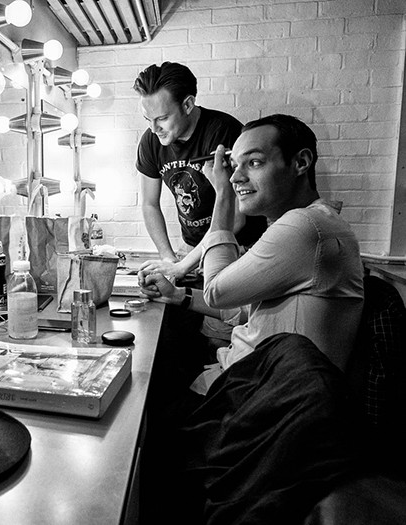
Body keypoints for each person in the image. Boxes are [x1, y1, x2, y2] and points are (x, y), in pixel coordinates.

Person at [137, 114, 365, 523]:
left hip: (262, 420)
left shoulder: (305, 226)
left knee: (135, 416)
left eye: (253, 163)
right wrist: (179, 296)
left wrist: (221, 197)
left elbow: (218, 289)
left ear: (300, 162)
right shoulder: (296, 224)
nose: (237, 175)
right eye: (234, 165)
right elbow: (240, 307)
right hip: (249, 394)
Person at [133, 62, 266, 282]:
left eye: (162, 119)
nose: (154, 129)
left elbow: (234, 218)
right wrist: (168, 259)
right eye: (148, 119)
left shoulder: (224, 132)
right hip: (192, 247)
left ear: (187, 105)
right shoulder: (151, 141)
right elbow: (149, 204)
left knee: (224, 312)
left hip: (238, 246)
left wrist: (183, 266)